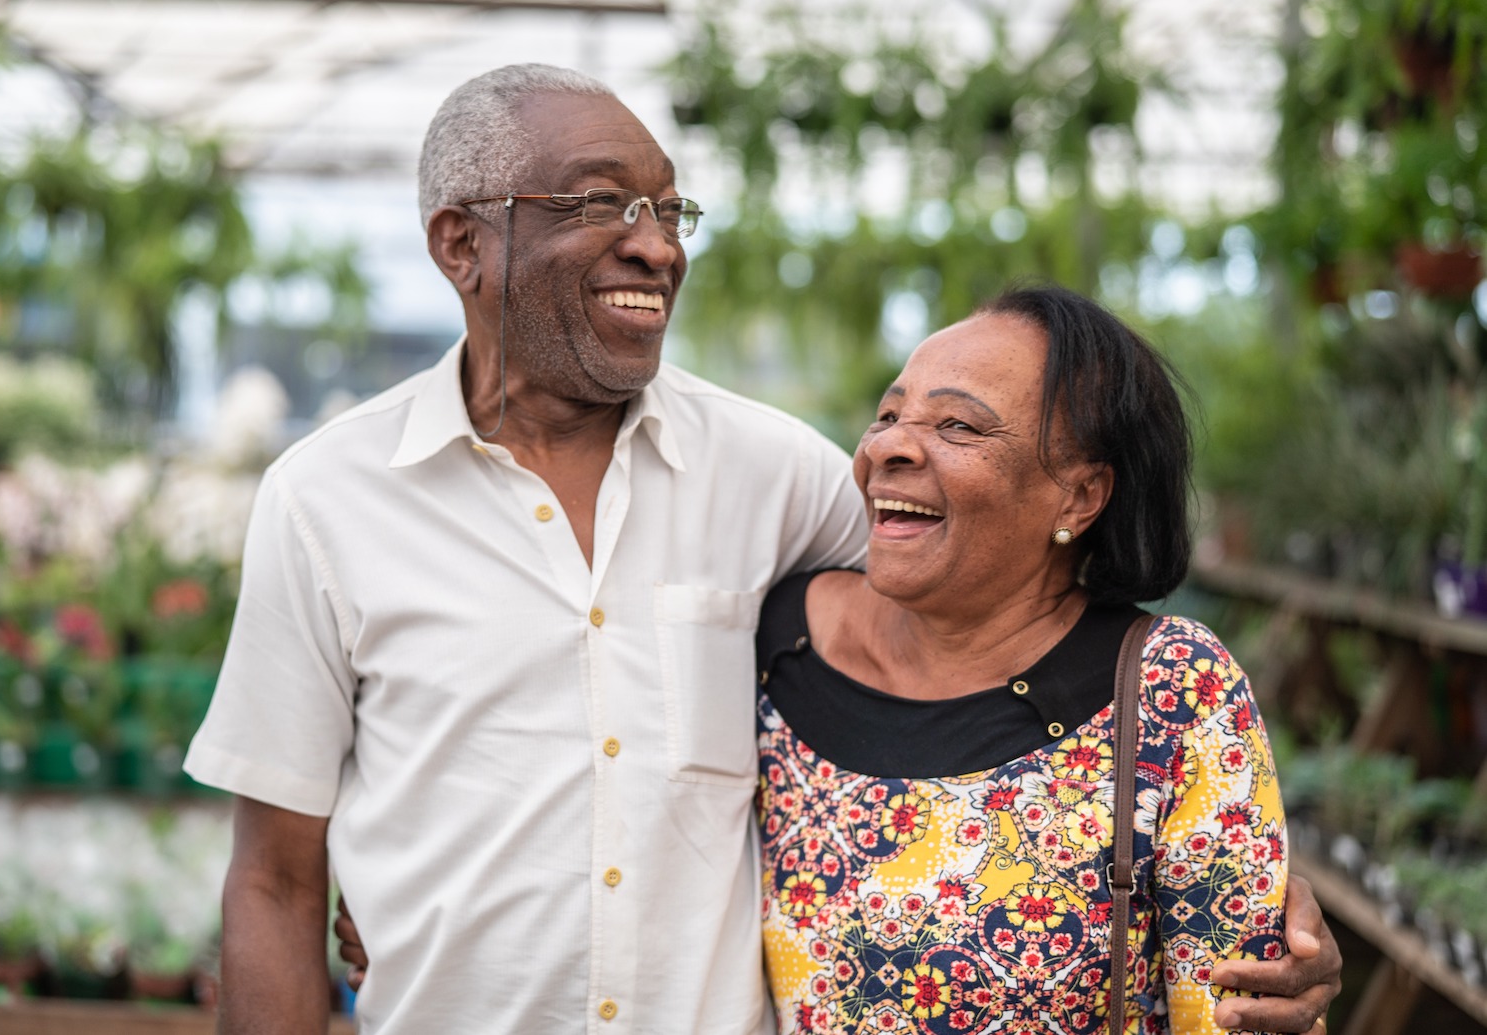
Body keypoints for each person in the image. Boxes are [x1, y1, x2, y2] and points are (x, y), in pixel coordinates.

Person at [187, 63, 1339, 1033]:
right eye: (602, 204)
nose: (655, 248)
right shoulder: (327, 501)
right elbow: (277, 879)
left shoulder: (776, 473)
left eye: (670, 212)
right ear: (460, 243)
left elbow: (1007, 591)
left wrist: (1223, 850)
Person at [755, 285, 1297, 1032]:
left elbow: (1243, 1010)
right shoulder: (776, 647)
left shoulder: (1173, 689)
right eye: (888, 414)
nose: (886, 446)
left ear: (1079, 497)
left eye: (957, 424)